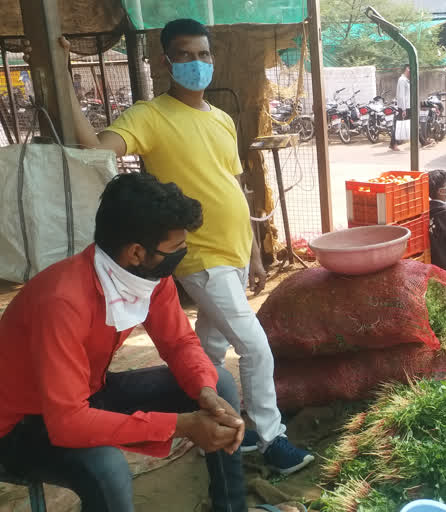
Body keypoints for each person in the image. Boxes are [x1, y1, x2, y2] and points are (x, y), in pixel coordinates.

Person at [31, 19, 313, 471]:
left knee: (210, 350)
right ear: (167, 63)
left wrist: (256, 250)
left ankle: (217, 430)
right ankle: (269, 436)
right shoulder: (149, 116)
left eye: (204, 54)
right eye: (185, 55)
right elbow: (94, 147)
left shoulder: (220, 118)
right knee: (257, 347)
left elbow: (234, 185)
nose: (197, 63)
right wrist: (64, 74)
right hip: (198, 255)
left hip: (235, 250)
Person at [0, 173, 299, 512]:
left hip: (86, 391)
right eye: (176, 248)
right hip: (19, 426)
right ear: (137, 252)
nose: (183, 254)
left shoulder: (146, 278)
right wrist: (181, 425)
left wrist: (204, 391)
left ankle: (230, 508)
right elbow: (68, 422)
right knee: (106, 467)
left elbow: (180, 342)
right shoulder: (62, 301)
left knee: (219, 380)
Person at [390, 64, 430, 151]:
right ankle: (393, 144)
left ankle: (423, 142)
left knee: (414, 124)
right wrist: (403, 109)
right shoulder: (402, 80)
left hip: (409, 106)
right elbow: (401, 96)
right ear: (408, 69)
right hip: (404, 108)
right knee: (400, 125)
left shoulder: (407, 80)